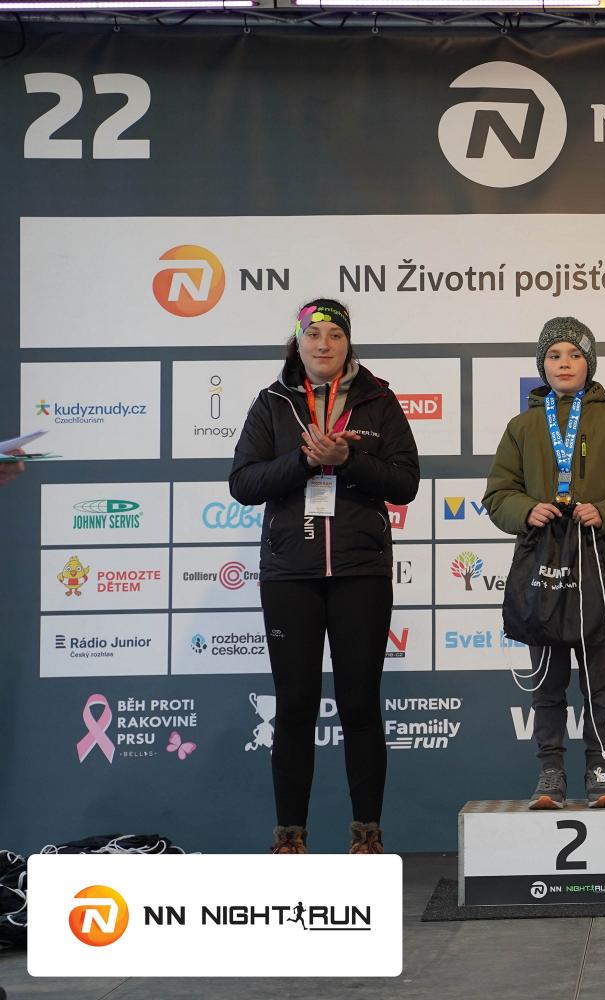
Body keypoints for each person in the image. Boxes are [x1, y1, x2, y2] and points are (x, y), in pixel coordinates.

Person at [229, 298, 419, 855]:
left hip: (361, 571)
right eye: (313, 334)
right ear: (298, 343)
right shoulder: (272, 402)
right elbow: (243, 483)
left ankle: (367, 836)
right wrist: (305, 461)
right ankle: (289, 838)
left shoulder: (378, 400)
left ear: (348, 343)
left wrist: (348, 459)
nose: (324, 344)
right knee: (294, 706)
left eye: (335, 334)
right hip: (291, 574)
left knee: (359, 704)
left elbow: (405, 482)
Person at [484, 317, 605, 810]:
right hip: (543, 576)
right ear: (542, 365)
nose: (564, 363)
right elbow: (497, 495)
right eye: (555, 355)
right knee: (548, 685)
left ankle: (603, 771)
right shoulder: (521, 428)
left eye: (575, 355)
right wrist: (525, 510)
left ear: (590, 364)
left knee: (600, 686)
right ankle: (551, 773)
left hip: (600, 572)